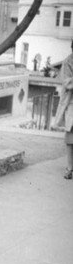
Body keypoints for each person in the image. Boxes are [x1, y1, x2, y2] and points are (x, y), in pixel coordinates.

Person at [53, 40, 73, 179]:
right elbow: (67, 82)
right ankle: (70, 167)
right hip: (71, 103)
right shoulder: (68, 62)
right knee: (71, 137)